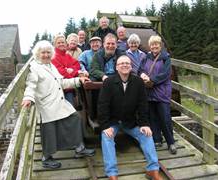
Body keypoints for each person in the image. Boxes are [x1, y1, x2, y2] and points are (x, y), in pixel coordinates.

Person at [22, 40, 95, 169]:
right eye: (43, 52)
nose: (46, 55)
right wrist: (28, 98)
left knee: (75, 118)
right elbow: (31, 86)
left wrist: (79, 80)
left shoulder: (51, 65)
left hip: (59, 102)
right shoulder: (34, 67)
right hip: (47, 106)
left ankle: (79, 148)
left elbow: (62, 83)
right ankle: (46, 158)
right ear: (37, 54)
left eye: (48, 52)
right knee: (49, 132)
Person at [98, 55, 162, 180]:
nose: (125, 65)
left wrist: (144, 124)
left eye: (127, 63)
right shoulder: (109, 82)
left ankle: (153, 170)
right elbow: (102, 105)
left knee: (147, 134)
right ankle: (112, 173)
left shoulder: (138, 82)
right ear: (116, 67)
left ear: (131, 66)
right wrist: (105, 126)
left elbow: (143, 104)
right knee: (106, 137)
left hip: (130, 121)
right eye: (121, 63)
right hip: (113, 120)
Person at [139, 35, 177, 154]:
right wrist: (142, 75)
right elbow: (140, 70)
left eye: (157, 44)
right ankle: (157, 140)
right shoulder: (146, 57)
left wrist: (151, 80)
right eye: (152, 44)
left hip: (162, 92)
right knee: (153, 117)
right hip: (149, 92)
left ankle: (171, 142)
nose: (154, 46)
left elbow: (165, 74)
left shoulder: (166, 58)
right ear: (149, 46)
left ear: (160, 46)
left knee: (165, 117)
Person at [51, 34, 86, 105]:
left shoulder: (66, 55)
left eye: (62, 42)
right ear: (55, 45)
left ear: (66, 43)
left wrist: (72, 70)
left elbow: (77, 64)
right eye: (58, 43)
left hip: (70, 87)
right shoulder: (53, 56)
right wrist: (74, 73)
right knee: (69, 110)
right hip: (61, 89)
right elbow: (61, 72)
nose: (61, 44)